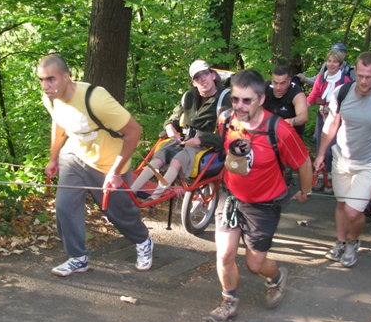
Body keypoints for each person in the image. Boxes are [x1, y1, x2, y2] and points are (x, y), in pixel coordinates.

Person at [206, 69, 313, 322]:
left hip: (264, 205)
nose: (239, 106)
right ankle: (229, 302)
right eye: (235, 99)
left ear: (261, 99)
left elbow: (303, 162)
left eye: (247, 100)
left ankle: (276, 277)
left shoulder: (279, 129)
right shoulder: (225, 120)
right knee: (224, 254)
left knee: (255, 263)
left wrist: (305, 190)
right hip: (232, 198)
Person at [37, 55, 154, 275]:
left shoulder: (95, 98)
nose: (45, 86)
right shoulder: (51, 99)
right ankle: (77, 257)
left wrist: (116, 171)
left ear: (66, 77)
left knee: (117, 212)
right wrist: (53, 158)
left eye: (50, 79)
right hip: (74, 156)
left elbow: (133, 131)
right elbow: (58, 124)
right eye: (41, 80)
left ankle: (143, 241)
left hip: (109, 161)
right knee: (65, 207)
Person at [315, 52, 371, 268]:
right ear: (355, 72)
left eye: (369, 77)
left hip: (370, 162)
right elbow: (331, 125)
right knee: (342, 204)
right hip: (342, 157)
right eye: (360, 76)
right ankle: (340, 242)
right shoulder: (341, 93)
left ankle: (353, 242)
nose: (364, 82)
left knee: (354, 211)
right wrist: (320, 155)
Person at [130, 59, 231, 201]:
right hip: (183, 140)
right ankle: (131, 191)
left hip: (206, 145)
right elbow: (175, 116)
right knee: (158, 158)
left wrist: (199, 140)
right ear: (194, 83)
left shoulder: (225, 99)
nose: (202, 78)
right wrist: (169, 126)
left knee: (177, 160)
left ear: (213, 75)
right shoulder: (189, 96)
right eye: (197, 77)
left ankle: (153, 199)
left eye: (205, 74)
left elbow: (227, 135)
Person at [306, 50, 352, 193]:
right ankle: (321, 177)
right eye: (329, 61)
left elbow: (348, 101)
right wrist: (302, 110)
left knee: (331, 150)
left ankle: (331, 179)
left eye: (335, 61)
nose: (331, 64)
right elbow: (313, 96)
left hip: (337, 119)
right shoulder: (321, 78)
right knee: (321, 147)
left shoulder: (345, 81)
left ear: (340, 64)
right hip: (322, 116)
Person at [264, 65, 309, 138]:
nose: (278, 87)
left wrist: (292, 121)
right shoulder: (266, 88)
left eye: (282, 83)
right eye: (275, 83)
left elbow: (304, 117)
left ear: (289, 81)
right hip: (268, 131)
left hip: (290, 134)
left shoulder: (297, 93)